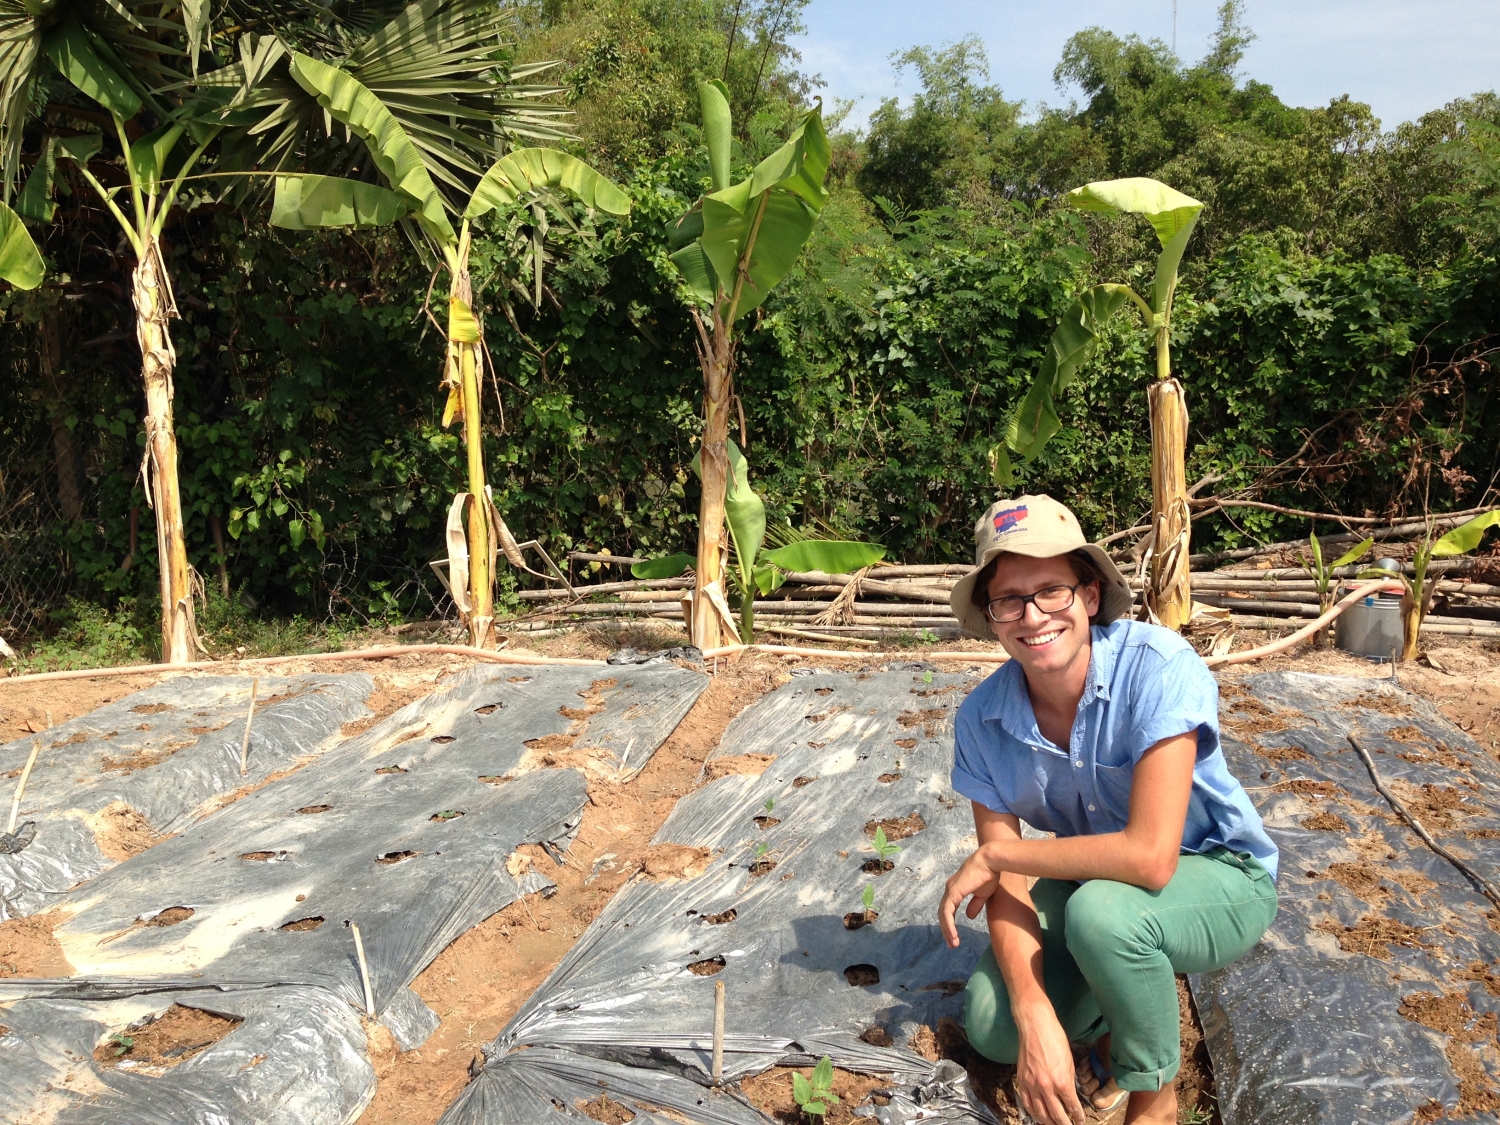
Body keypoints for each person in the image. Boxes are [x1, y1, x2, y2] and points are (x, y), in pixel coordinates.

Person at [937, 495, 1278, 1125]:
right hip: (1098, 884)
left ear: (1090, 596)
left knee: (1104, 916)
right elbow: (1003, 879)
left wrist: (999, 854)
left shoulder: (1158, 669)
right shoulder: (982, 718)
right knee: (993, 1024)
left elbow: (1149, 860)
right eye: (1009, 599)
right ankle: (1106, 1031)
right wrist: (1035, 1018)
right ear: (991, 617)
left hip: (1219, 875)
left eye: (1052, 591)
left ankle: (1154, 1094)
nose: (1032, 615)